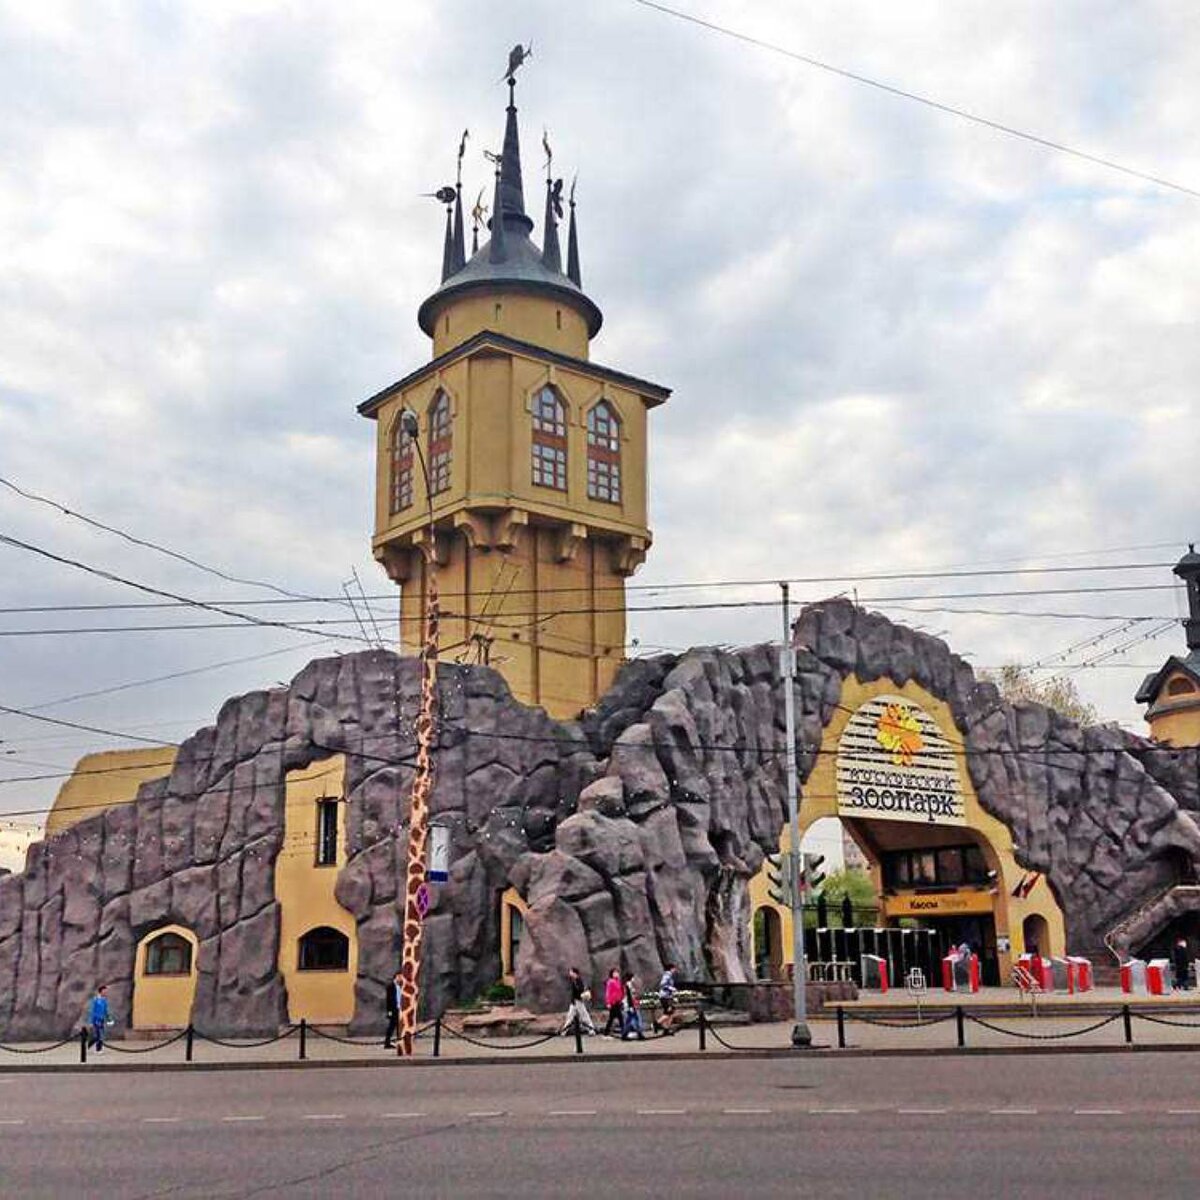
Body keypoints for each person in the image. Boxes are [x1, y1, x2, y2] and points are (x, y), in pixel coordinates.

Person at [559, 967, 596, 1036]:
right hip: (574, 1002)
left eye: (571, 972)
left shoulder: (578, 981)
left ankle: (591, 1030)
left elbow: (580, 990)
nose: (570, 973)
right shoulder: (573, 980)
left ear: (574, 973)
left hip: (578, 1001)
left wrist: (582, 996)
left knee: (584, 1016)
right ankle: (564, 1031)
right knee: (570, 1016)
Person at [654, 963, 678, 1035]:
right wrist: (671, 988)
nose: (675, 970)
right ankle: (657, 1024)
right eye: (674, 968)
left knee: (670, 1012)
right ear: (671, 968)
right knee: (669, 1012)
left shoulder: (669, 975)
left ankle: (666, 1028)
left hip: (667, 996)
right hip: (665, 996)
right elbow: (663, 984)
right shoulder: (667, 975)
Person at [621, 972, 646, 1041]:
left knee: (629, 1020)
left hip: (630, 1004)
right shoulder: (628, 985)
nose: (634, 979)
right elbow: (629, 996)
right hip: (630, 1005)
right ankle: (639, 1033)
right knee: (636, 1019)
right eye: (633, 977)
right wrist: (631, 1006)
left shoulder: (628, 984)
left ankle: (625, 1034)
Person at [602, 968, 624, 1037]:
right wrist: (608, 1002)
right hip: (613, 1002)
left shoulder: (618, 982)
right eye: (615, 973)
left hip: (618, 1002)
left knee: (613, 1018)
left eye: (617, 972)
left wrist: (621, 999)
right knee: (617, 1018)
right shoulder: (610, 982)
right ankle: (623, 1031)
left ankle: (606, 1032)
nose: (616, 974)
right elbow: (608, 993)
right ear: (612, 974)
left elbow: (620, 991)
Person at [383, 969, 403, 1048]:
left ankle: (400, 1042)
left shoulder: (401, 986)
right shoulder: (391, 986)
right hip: (393, 1009)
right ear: (396, 977)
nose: (401, 979)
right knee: (391, 1026)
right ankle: (387, 1043)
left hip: (400, 1009)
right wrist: (389, 1011)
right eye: (400, 977)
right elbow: (388, 1000)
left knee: (399, 1027)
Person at [88, 984, 110, 1053]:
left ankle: (91, 1045)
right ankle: (98, 1049)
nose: (106, 992)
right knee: (98, 1034)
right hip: (96, 1020)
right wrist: (91, 1022)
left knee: (100, 1034)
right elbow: (92, 1011)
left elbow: (106, 1010)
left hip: (102, 1019)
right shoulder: (96, 1000)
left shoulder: (104, 1000)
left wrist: (109, 1019)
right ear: (101, 991)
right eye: (104, 990)